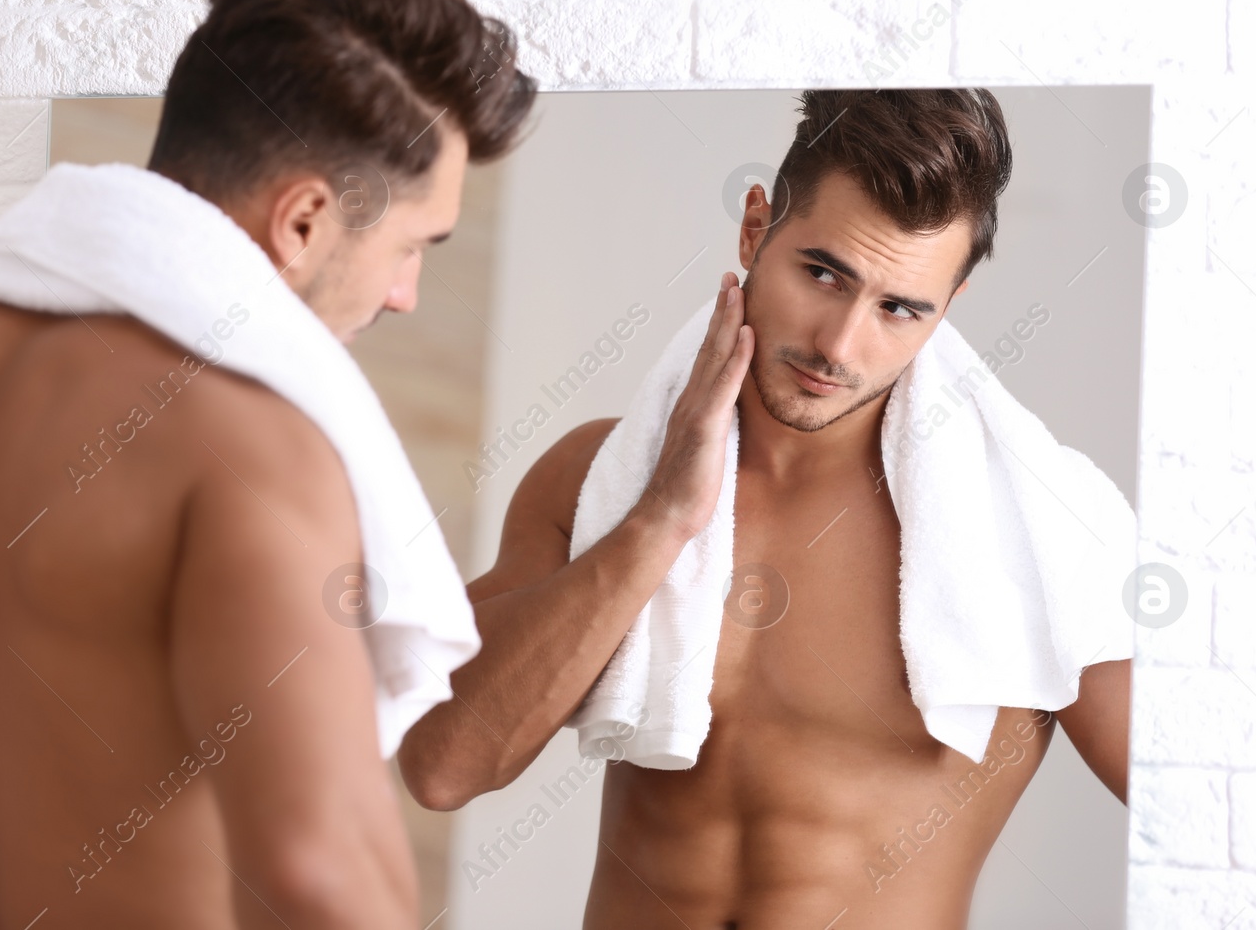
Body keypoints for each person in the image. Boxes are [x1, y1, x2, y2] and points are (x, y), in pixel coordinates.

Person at [0, 0, 532, 930]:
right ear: (303, 220)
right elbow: (319, 872)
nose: (404, 294)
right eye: (409, 245)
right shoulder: (251, 445)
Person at [399, 88, 1131, 929]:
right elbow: (442, 766)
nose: (839, 345)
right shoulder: (599, 479)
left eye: (900, 308)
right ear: (755, 228)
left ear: (950, 307)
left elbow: (1203, 818)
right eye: (824, 273)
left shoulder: (1034, 526)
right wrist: (660, 521)